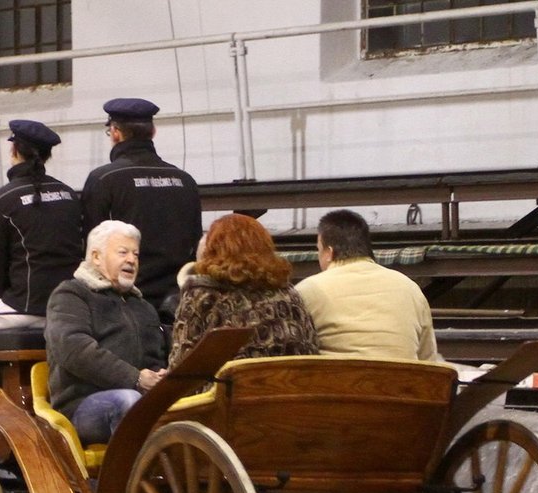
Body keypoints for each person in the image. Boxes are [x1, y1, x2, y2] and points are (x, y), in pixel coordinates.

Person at [45, 220, 167, 445]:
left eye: (136, 254)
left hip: (142, 400)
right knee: (127, 401)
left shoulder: (144, 307)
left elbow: (156, 357)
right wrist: (136, 378)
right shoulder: (71, 295)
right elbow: (74, 350)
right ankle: (123, 480)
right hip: (82, 405)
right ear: (96, 257)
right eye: (123, 252)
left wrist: (161, 375)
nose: (132, 259)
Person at [81, 98, 202, 318]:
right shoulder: (185, 180)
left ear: (116, 132)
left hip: (127, 303)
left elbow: (92, 246)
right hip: (178, 301)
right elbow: (195, 242)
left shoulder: (104, 179)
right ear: (153, 132)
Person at [0, 119, 82, 339]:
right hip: (72, 303)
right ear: (46, 156)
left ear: (14, 150)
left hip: (29, 306)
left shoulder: (2, 199)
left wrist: (6, 296)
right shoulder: (69, 194)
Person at [168, 213, 319, 369]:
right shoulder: (289, 295)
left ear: (213, 250)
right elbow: (309, 351)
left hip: (225, 391)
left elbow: (180, 366)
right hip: (286, 390)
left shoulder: (202, 295)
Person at [295, 209, 440, 361]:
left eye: (319, 250)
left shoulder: (307, 290)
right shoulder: (411, 288)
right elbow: (428, 359)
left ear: (329, 253)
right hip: (401, 383)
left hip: (336, 383)